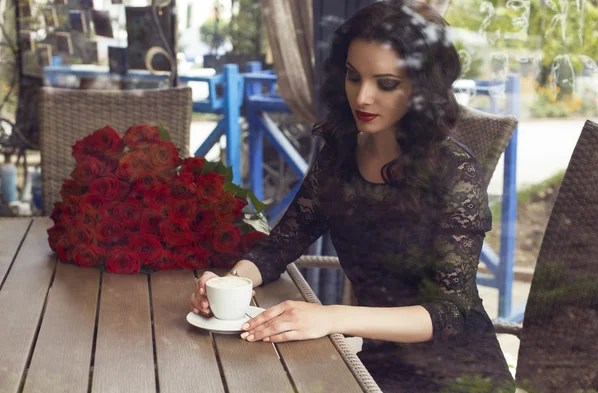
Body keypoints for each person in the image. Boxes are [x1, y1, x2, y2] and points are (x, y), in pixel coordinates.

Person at [190, 1, 515, 391]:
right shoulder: (340, 155)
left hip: (459, 376)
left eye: (386, 83)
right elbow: (279, 247)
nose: (362, 98)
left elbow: (450, 314)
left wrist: (330, 317)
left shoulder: (455, 171)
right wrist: (228, 285)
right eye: (353, 76)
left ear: (421, 88)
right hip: (373, 368)